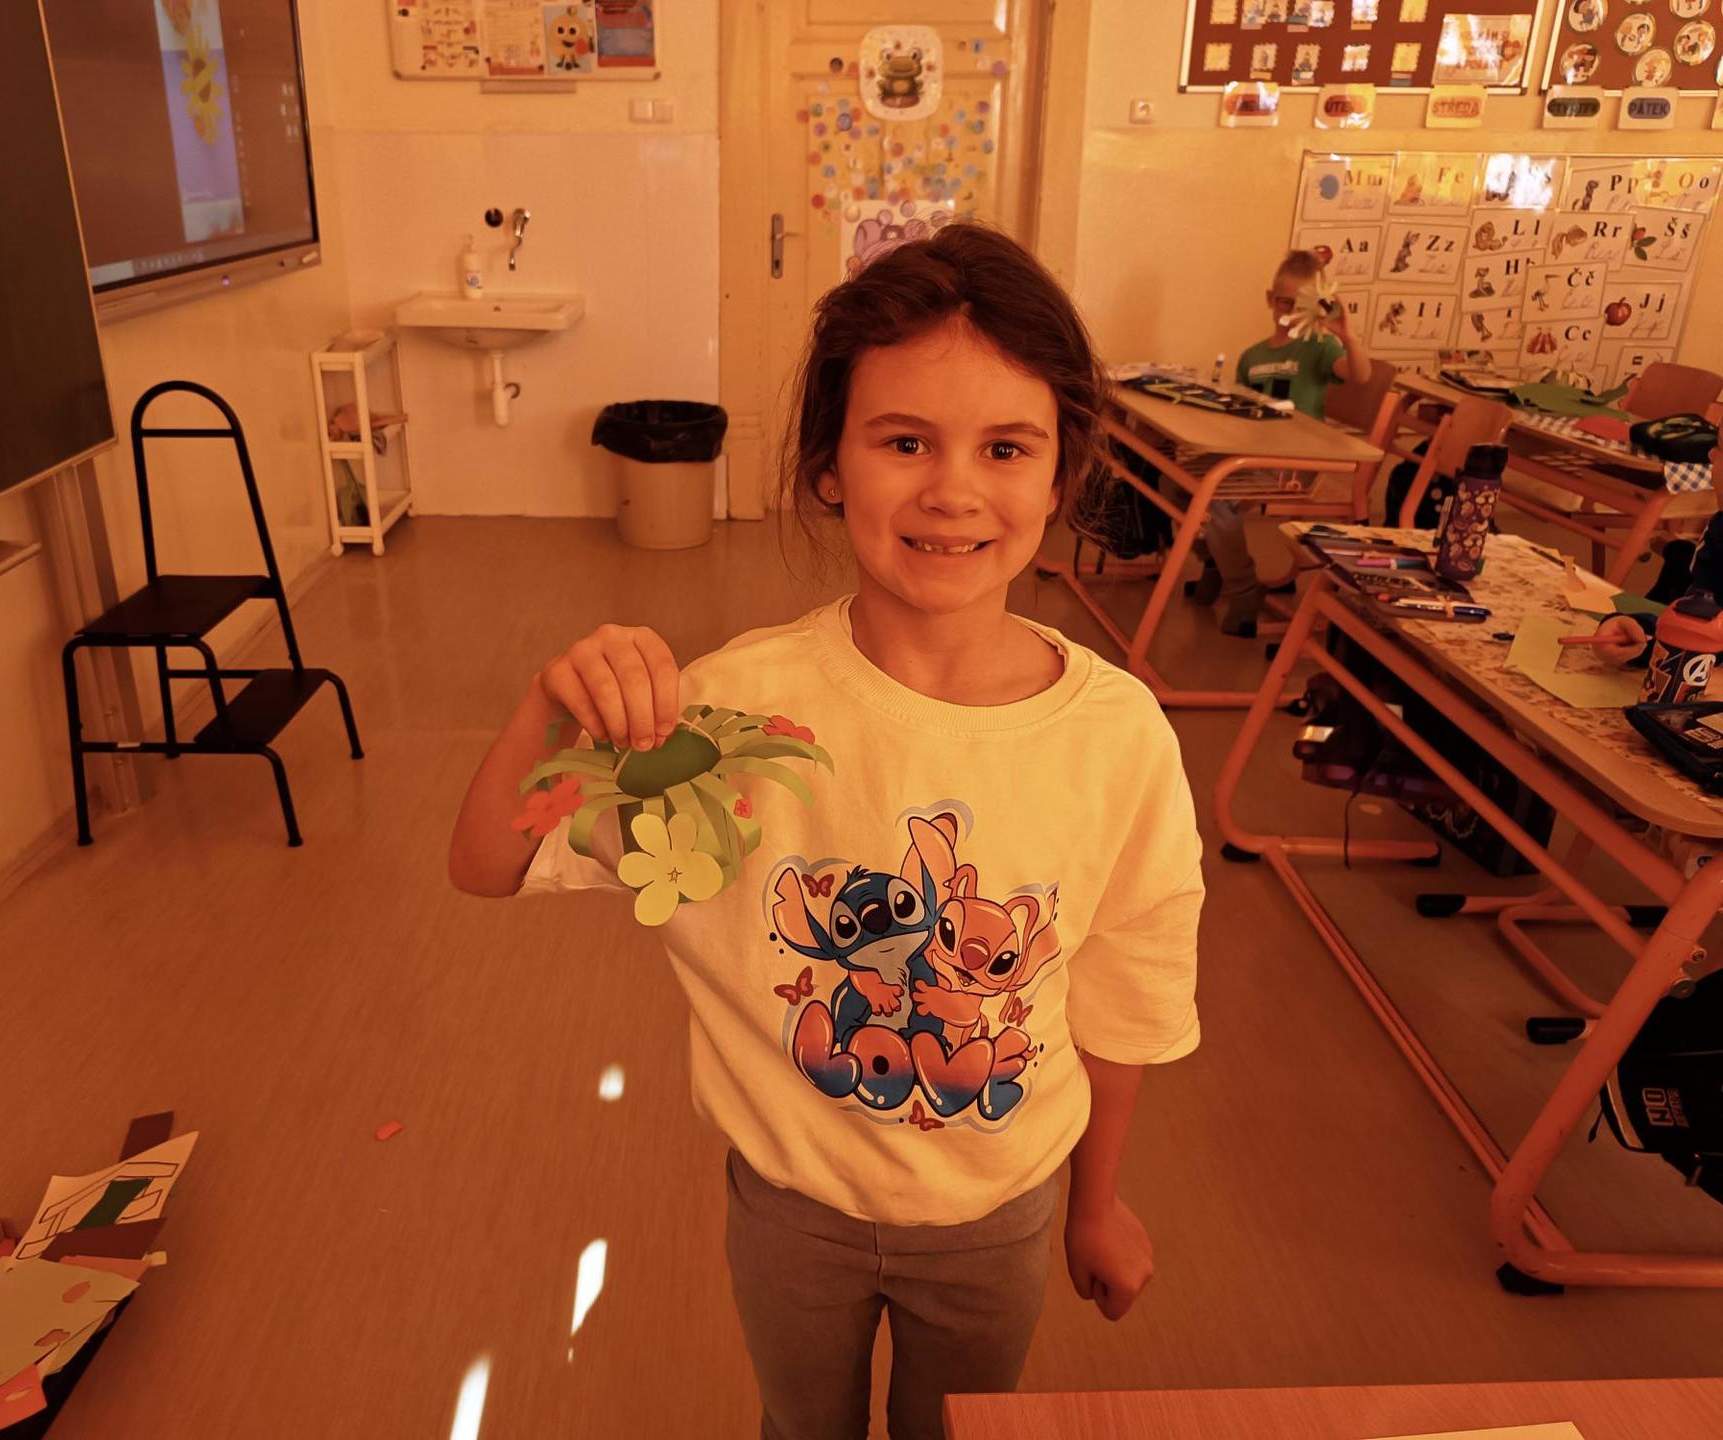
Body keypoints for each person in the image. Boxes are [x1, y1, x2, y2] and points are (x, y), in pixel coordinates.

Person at [449, 223, 1203, 1440]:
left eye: (1005, 447)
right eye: (905, 441)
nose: (953, 490)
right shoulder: (724, 716)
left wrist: (1094, 1205)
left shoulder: (1118, 738)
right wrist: (549, 706)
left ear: (1062, 474)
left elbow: (1125, 1002)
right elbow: (489, 864)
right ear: (829, 466)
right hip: (789, 1208)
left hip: (1002, 1209)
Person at [1189, 247, 1374, 637]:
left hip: (1298, 464)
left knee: (1213, 497)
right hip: (1256, 456)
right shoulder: (1252, 356)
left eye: (1301, 306)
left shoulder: (1319, 347)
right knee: (1176, 482)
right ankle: (1219, 562)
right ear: (1270, 299)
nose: (1289, 313)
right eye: (1284, 302)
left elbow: (1360, 375)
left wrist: (1347, 334)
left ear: (1319, 307)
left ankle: (1243, 588)